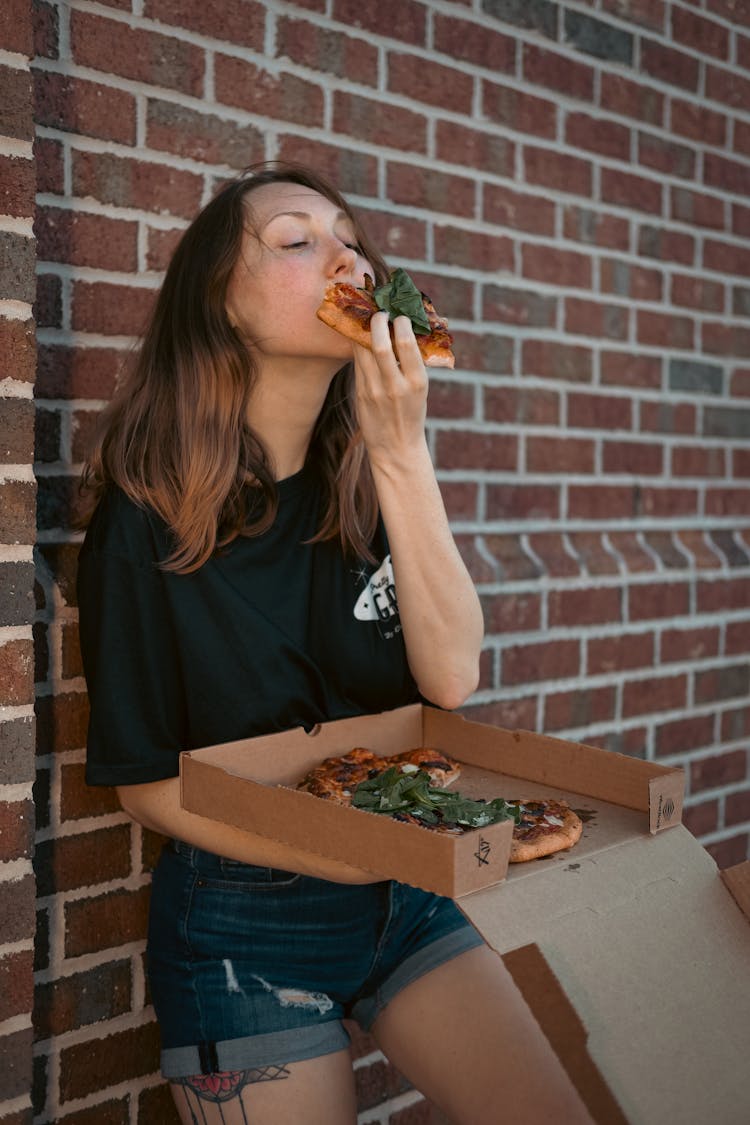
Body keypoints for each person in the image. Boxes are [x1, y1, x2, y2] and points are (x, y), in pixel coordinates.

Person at [77, 162, 592, 1125]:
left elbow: (451, 674)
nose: (345, 255)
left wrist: (404, 455)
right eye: (295, 240)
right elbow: (141, 780)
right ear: (219, 305)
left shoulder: (368, 485)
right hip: (240, 923)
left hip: (404, 896)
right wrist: (336, 847)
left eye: (349, 237)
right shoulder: (145, 520)